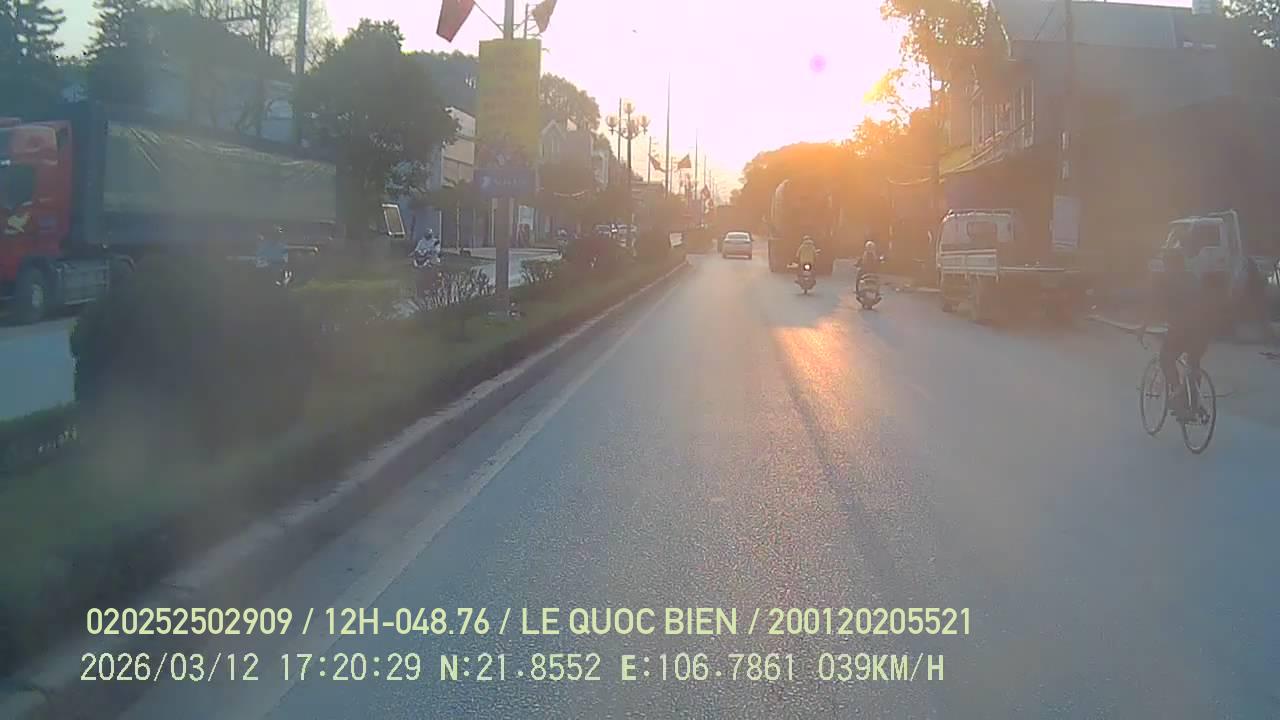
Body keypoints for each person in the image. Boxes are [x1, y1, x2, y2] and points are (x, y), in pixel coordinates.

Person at [1138, 242, 1214, 421]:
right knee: (1193, 365)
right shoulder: (1193, 278)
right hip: (1203, 330)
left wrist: (1143, 327)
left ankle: (1177, 392)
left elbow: (1154, 305)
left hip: (1182, 329)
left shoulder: (1165, 281)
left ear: (1168, 265)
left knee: (1165, 358)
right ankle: (1191, 407)